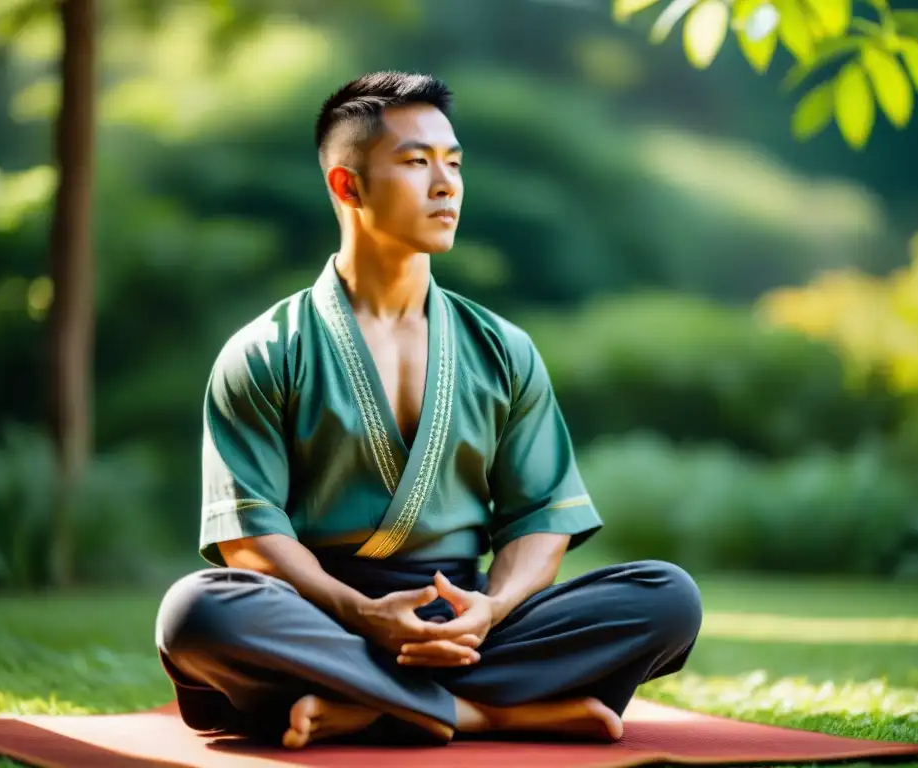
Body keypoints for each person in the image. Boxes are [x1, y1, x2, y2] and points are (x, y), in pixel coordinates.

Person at [154, 71, 702, 750]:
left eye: (454, 163)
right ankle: (492, 714)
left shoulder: (502, 348)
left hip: (469, 625)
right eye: (416, 163)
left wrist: (491, 609)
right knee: (198, 611)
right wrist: (363, 613)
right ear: (346, 186)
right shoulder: (268, 351)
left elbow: (540, 521)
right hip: (323, 617)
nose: (446, 185)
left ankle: (366, 707)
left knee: (667, 597)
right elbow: (248, 541)